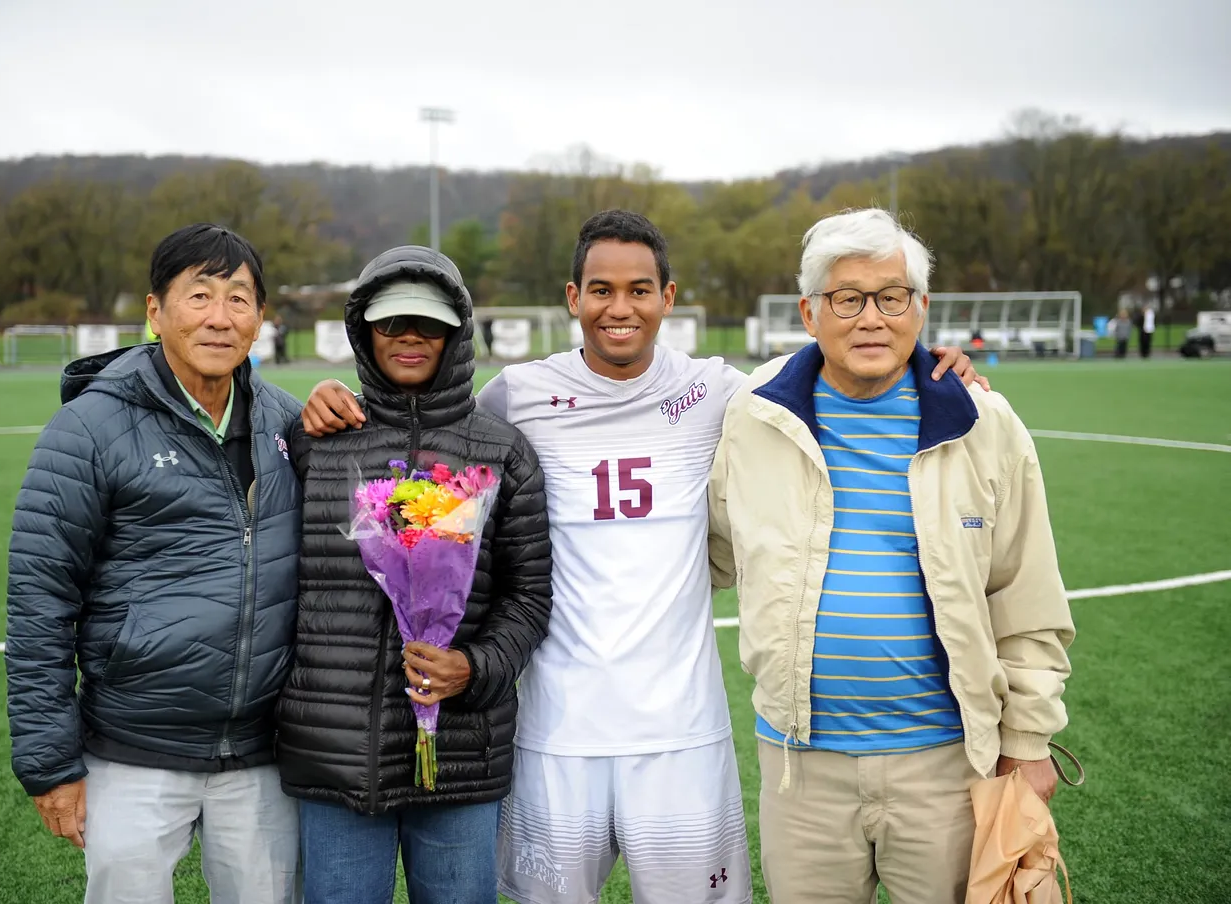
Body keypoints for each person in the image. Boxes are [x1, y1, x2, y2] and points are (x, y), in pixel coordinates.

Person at [300, 210, 983, 904]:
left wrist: (930, 364)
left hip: (680, 732)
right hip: (556, 732)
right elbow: (437, 428)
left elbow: (832, 372)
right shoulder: (519, 396)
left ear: (669, 298)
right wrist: (339, 400)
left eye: (638, 290)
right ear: (574, 298)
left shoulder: (722, 392)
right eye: (600, 290)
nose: (618, 308)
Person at [708, 209, 1076, 904]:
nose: (871, 318)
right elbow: (713, 552)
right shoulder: (753, 415)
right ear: (810, 312)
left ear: (921, 307)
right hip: (801, 770)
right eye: (847, 298)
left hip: (943, 767)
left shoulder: (983, 422)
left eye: (891, 296)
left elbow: (1025, 593)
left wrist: (1028, 739)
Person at [5, 224, 304, 904]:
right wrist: (51, 765)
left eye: (238, 298)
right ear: (155, 310)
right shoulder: (87, 430)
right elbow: (39, 603)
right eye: (198, 295)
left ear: (260, 317)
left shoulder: (285, 423)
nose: (219, 317)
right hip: (132, 749)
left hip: (261, 753)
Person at [279, 245, 553, 904]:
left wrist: (475, 667)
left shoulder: (500, 450)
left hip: (458, 755)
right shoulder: (317, 439)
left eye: (428, 324)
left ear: (456, 332)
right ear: (362, 330)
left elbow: (530, 595)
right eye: (390, 323)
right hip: (336, 755)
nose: (408, 337)